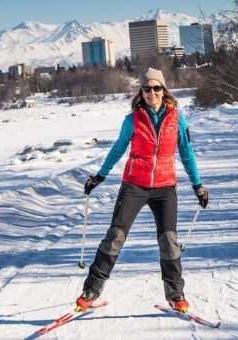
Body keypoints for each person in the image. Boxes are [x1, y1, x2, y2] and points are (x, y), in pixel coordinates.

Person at [76, 67, 208, 314]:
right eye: (147, 88)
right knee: (115, 236)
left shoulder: (177, 118)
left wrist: (197, 184)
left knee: (169, 242)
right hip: (134, 185)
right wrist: (99, 176)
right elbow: (117, 149)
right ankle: (91, 290)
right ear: (142, 91)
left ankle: (176, 294)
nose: (152, 93)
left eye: (157, 88)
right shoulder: (132, 120)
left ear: (164, 90)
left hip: (165, 187)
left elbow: (187, 152)